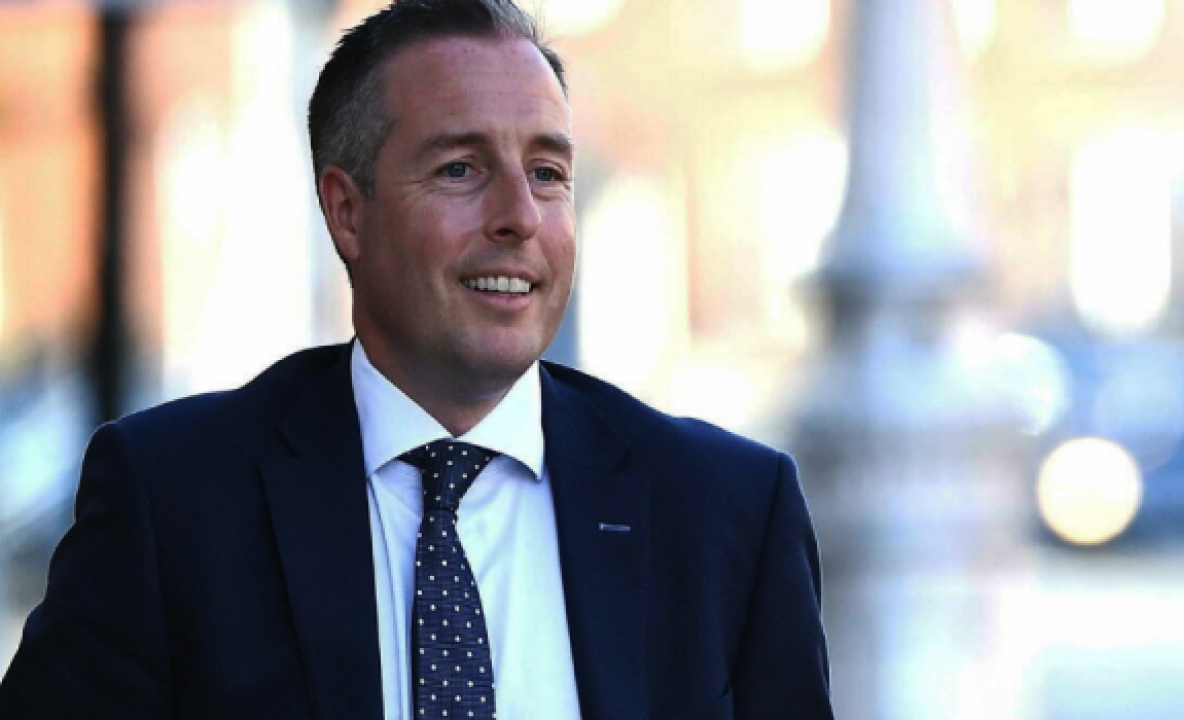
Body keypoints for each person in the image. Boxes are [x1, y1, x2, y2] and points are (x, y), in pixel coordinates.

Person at [0, 1, 833, 718]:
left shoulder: (726, 513)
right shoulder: (173, 502)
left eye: (548, 172)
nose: (519, 215)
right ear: (347, 212)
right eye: (461, 168)